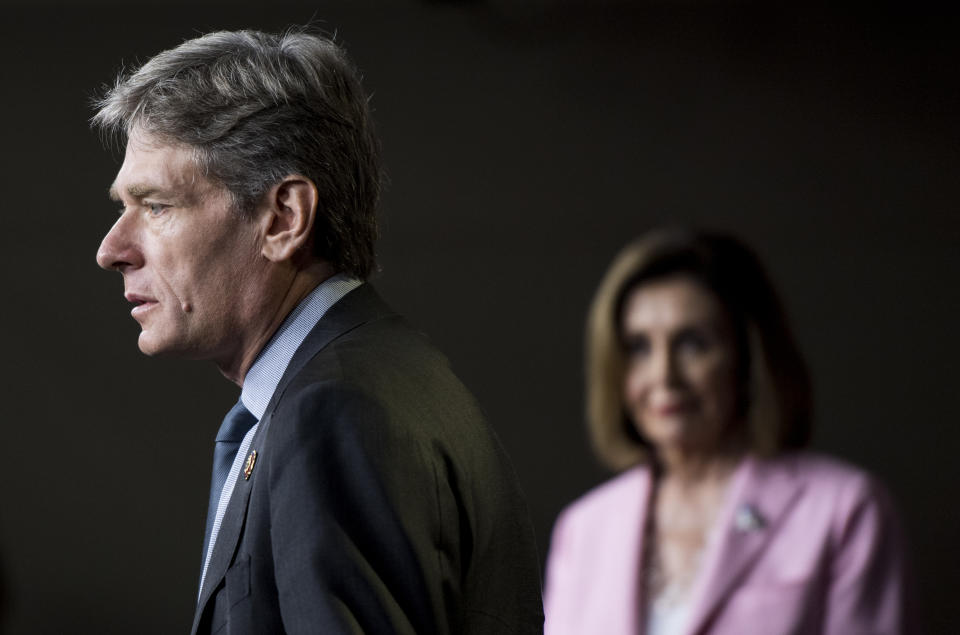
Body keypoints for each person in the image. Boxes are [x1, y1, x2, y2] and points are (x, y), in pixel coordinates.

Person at [93, 28, 543, 635]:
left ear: (283, 217)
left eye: (157, 206)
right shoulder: (386, 380)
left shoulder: (337, 411)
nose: (111, 249)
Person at [543, 229, 916, 634]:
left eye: (693, 344)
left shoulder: (846, 511)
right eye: (638, 347)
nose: (663, 375)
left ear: (746, 357)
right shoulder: (583, 529)